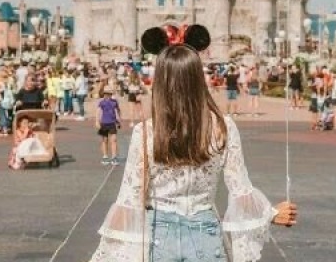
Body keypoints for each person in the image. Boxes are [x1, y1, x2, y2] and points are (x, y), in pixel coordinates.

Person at [89, 45, 296, 262]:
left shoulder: (146, 133)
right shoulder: (222, 127)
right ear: (198, 80)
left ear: (161, 83)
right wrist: (271, 213)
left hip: (160, 236)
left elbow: (130, 198)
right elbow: (240, 189)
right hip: (205, 233)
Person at [95, 89, 121, 166]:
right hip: (103, 123)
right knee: (104, 141)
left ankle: (114, 157)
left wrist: (119, 120)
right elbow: (98, 112)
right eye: (106, 94)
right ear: (104, 94)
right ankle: (105, 156)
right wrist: (97, 121)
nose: (107, 95)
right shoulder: (102, 102)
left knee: (114, 140)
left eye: (109, 94)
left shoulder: (114, 102)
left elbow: (118, 110)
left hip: (112, 123)